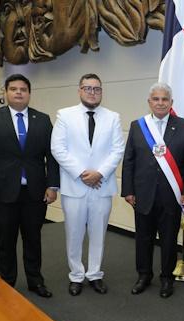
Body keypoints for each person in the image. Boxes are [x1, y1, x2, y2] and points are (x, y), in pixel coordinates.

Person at [0, 74, 59, 298]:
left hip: (35, 193)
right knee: (5, 240)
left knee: (33, 239)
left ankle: (35, 281)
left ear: (29, 93)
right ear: (6, 92)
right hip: (2, 193)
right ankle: (6, 281)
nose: (19, 92)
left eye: (23, 89)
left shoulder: (43, 120)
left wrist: (53, 185)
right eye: (13, 89)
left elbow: (52, 156)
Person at [51, 73, 125, 296]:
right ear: (79, 90)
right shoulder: (65, 115)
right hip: (75, 185)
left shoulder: (113, 117)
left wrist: (99, 173)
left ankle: (94, 274)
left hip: (102, 185)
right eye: (88, 88)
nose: (93, 92)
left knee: (98, 233)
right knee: (74, 234)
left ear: (101, 91)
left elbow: (117, 150)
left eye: (97, 89)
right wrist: (83, 174)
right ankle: (76, 275)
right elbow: (57, 148)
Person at [121, 82, 184, 298]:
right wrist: (128, 190)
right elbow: (129, 160)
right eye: (156, 99)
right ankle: (144, 275)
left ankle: (167, 278)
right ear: (149, 102)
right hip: (143, 194)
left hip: (172, 195)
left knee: (169, 240)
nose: (160, 103)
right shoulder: (138, 126)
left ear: (171, 102)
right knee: (143, 238)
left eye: (164, 99)